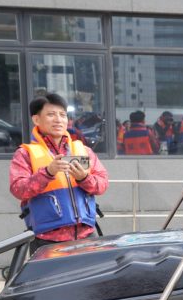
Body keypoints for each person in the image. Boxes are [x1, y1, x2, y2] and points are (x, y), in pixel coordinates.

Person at [9, 92, 109, 252]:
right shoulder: (25, 153)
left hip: (87, 236)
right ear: (36, 119)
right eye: (51, 114)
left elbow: (102, 184)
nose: (58, 119)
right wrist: (48, 172)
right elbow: (18, 189)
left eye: (62, 115)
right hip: (46, 241)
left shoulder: (83, 150)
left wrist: (84, 178)